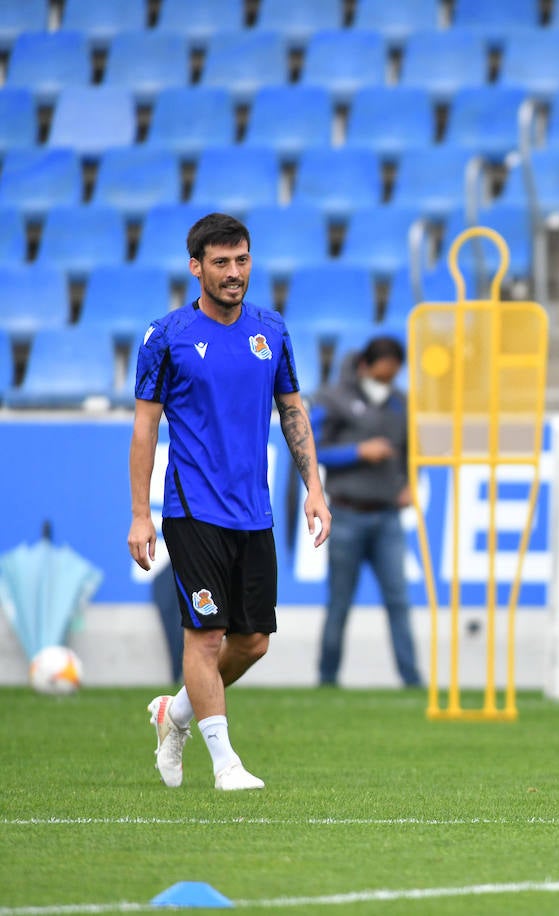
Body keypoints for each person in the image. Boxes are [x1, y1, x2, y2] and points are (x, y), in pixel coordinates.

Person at [128, 212, 331, 791]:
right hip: (192, 510)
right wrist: (142, 513)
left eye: (241, 260)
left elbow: (292, 410)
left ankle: (176, 713)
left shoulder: (271, 331)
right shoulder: (165, 337)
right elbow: (144, 430)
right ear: (196, 268)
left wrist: (314, 487)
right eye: (221, 262)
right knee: (206, 636)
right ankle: (225, 764)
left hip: (254, 509)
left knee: (253, 641)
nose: (234, 272)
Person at [312, 335, 421, 688]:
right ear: (365, 366)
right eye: (381, 374)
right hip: (347, 513)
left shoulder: (401, 404)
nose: (386, 382)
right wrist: (359, 451)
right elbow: (312, 449)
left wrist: (408, 482)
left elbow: (411, 451)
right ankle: (327, 677)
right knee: (340, 603)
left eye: (393, 375)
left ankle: (411, 679)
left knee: (399, 601)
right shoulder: (333, 399)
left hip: (387, 515)